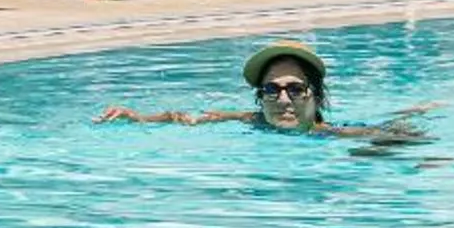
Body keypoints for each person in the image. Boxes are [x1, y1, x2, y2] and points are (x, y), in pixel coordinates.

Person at [98, 42, 435, 152]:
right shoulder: (253, 121)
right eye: (272, 90)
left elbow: (394, 135)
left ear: (316, 97)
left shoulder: (329, 134)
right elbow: (186, 118)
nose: (283, 99)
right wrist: (138, 118)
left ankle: (419, 108)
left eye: (296, 89)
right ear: (260, 98)